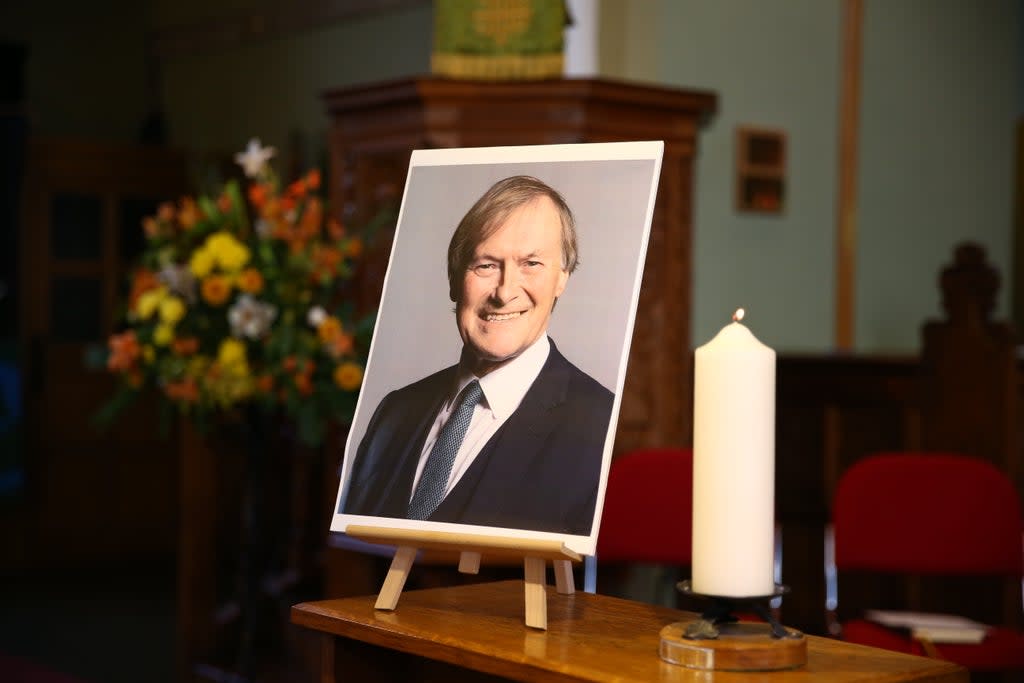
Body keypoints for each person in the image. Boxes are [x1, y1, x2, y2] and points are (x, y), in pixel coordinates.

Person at [341, 175, 613, 535]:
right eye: (486, 264)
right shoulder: (395, 412)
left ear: (562, 278)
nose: (504, 292)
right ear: (455, 279)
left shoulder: (601, 425)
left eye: (531, 263)